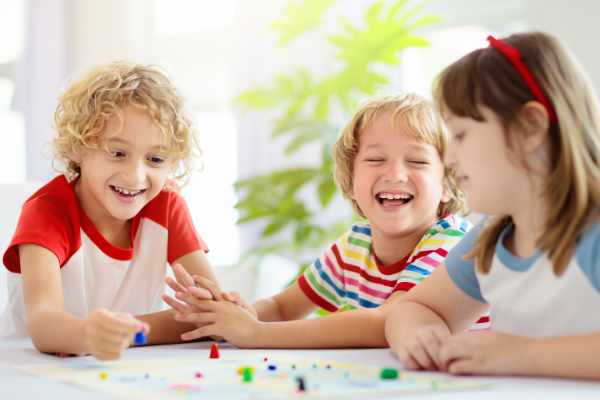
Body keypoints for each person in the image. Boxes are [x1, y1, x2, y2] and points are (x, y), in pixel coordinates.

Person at [164, 94, 489, 348]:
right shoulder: (355, 245)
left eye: (417, 161)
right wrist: (239, 316)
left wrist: (255, 333)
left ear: (448, 184)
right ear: (349, 180)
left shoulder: (450, 242)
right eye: (376, 159)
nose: (395, 174)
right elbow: (282, 307)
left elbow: (385, 324)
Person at [385, 32, 600, 380]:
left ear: (530, 126)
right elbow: (415, 307)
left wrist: (523, 355)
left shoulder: (593, 233)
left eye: (460, 135)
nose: (449, 158)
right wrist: (419, 336)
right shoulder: (493, 238)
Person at [1, 61, 219, 360]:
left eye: (155, 159)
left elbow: (211, 315)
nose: (135, 176)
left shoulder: (166, 207)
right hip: (28, 368)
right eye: (117, 153)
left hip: (122, 368)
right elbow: (42, 323)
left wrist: (126, 334)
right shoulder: (47, 210)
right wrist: (88, 335)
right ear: (79, 147)